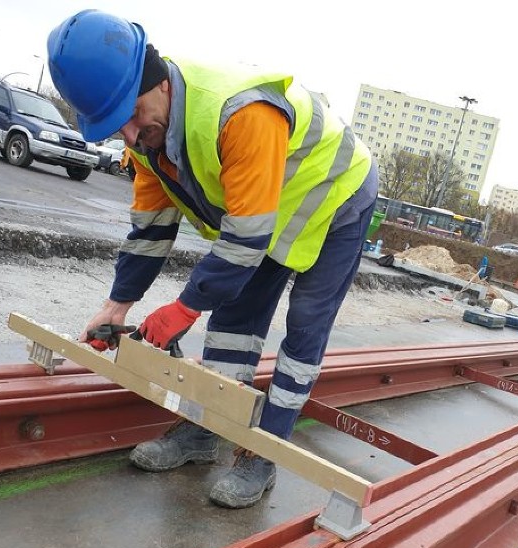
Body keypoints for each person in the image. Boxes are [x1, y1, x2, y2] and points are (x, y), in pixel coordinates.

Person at [46, 10, 378, 508]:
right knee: (234, 321)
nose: (132, 136)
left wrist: (182, 309)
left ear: (158, 82)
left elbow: (244, 241)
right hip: (265, 208)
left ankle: (263, 452)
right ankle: (205, 430)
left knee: (306, 324)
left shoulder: (240, 113)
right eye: (119, 128)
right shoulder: (146, 144)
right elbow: (150, 233)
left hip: (335, 200)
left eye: (134, 114)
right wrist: (117, 307)